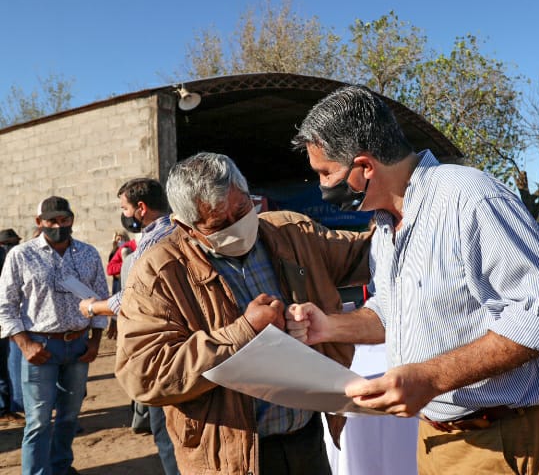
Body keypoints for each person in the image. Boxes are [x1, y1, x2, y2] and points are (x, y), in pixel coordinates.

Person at [289, 85, 539, 474]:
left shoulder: (471, 198)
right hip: (434, 437)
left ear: (365, 167)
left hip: (504, 437)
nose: (322, 187)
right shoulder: (387, 226)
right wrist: (328, 327)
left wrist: (430, 377)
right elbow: (391, 312)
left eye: (326, 173)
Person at [114, 152, 371, 475]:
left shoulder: (290, 234)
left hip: (306, 437)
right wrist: (244, 331)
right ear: (186, 226)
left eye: (242, 209)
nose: (237, 227)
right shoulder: (159, 273)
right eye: (219, 224)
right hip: (230, 456)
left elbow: (367, 255)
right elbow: (145, 374)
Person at [0, 196, 108, 475]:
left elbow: (100, 299)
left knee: (70, 417)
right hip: (40, 347)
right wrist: (25, 345)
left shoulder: (88, 253)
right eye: (52, 221)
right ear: (40, 223)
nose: (59, 225)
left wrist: (95, 342)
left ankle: (61, 467)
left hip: (79, 347)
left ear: (72, 219)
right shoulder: (21, 255)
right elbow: (6, 306)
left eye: (64, 220)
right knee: (38, 421)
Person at [78, 178, 179, 474]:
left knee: (166, 434)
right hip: (191, 346)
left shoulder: (149, 243)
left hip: (163, 351)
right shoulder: (184, 231)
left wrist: (93, 307)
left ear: (141, 208)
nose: (124, 213)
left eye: (125, 208)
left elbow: (135, 299)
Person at [0, 228, 25, 426]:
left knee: (7, 365)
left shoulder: (15, 259)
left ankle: (8, 406)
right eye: (8, 243)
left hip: (7, 320)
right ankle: (3, 408)